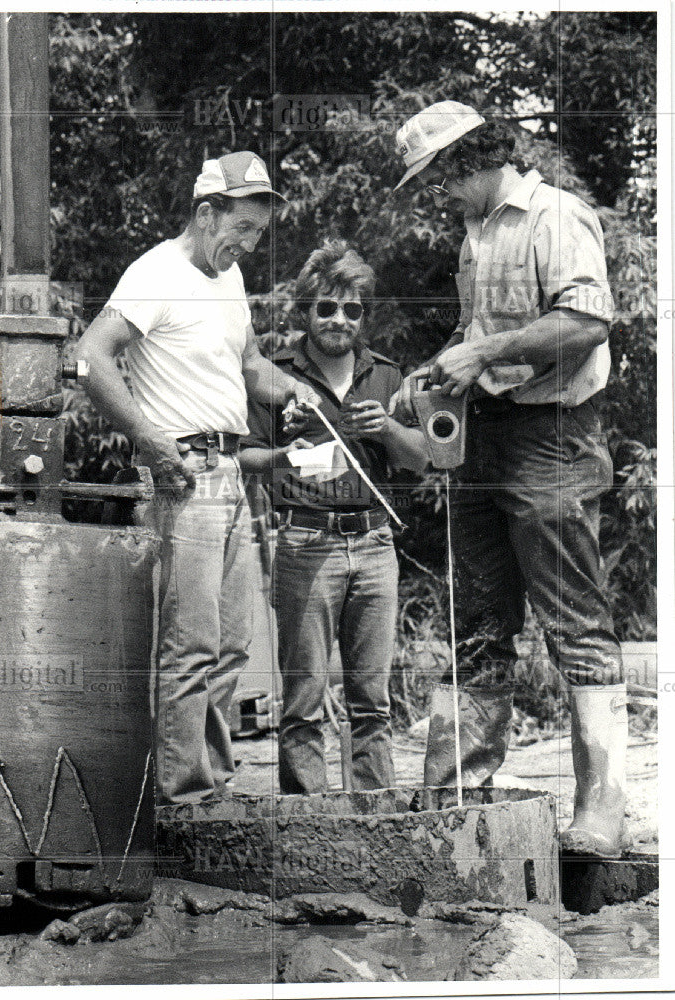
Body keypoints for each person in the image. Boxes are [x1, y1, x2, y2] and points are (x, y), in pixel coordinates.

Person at [393, 101, 628, 856]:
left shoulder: (554, 216)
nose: (438, 195)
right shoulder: (475, 238)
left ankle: (603, 809)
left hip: (554, 437)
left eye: (439, 180)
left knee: (575, 624)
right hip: (485, 442)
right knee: (479, 622)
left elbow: (588, 322)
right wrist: (438, 370)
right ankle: (453, 792)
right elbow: (478, 334)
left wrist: (484, 355)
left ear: (470, 160)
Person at [76, 151, 318, 805]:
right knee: (192, 642)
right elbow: (91, 357)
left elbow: (250, 365)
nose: (249, 244)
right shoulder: (154, 274)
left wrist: (289, 390)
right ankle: (182, 798)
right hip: (185, 471)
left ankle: (212, 778)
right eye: (242, 227)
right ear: (207, 213)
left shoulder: (228, 280)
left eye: (259, 232)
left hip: (232, 471)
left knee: (234, 641)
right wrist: (148, 439)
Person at [240, 240, 429, 794]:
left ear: (364, 314)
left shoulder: (388, 377)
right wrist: (285, 457)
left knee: (372, 700)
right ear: (306, 311)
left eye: (352, 309)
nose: (339, 319)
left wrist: (389, 430)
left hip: (375, 546)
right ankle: (307, 826)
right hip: (305, 543)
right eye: (326, 307)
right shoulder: (275, 377)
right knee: (302, 701)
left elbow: (422, 458)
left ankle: (376, 820)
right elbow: (245, 455)